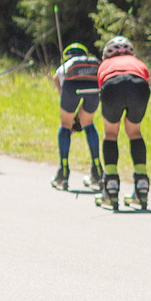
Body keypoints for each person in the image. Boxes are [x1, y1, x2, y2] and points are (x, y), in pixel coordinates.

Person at [95, 34, 151, 210]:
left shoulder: (105, 65)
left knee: (111, 133)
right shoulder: (139, 63)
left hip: (111, 86)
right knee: (134, 132)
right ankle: (142, 184)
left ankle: (111, 187)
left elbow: (102, 86)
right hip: (139, 86)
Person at [51, 41, 102, 191]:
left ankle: (64, 171)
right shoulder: (92, 64)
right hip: (94, 86)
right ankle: (97, 170)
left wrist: (62, 94)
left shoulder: (69, 64)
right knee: (88, 123)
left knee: (65, 124)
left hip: (71, 86)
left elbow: (56, 77)